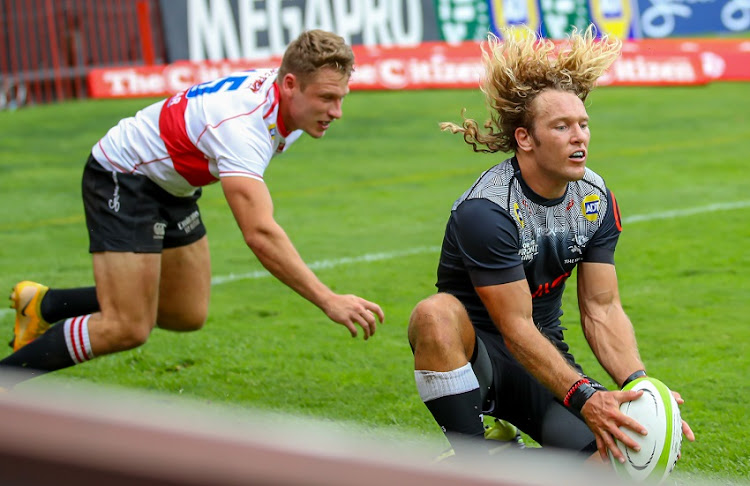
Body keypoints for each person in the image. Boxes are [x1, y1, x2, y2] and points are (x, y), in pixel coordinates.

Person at [2, 29, 384, 388]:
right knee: (127, 326)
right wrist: (327, 298)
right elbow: (259, 233)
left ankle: (44, 304)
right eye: (327, 99)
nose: (337, 111)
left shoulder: (290, 100)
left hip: (173, 185)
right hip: (124, 174)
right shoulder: (242, 127)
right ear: (289, 84)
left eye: (341, 97)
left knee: (185, 311)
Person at [407, 26, 694, 464]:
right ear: (525, 138)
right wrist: (585, 397)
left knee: (621, 455)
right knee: (434, 314)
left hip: (542, 356)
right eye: (561, 127)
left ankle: (504, 461)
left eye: (583, 125)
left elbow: (602, 308)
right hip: (477, 355)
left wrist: (640, 388)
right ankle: (470, 457)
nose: (579, 137)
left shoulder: (595, 199)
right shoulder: (487, 210)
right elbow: (514, 326)